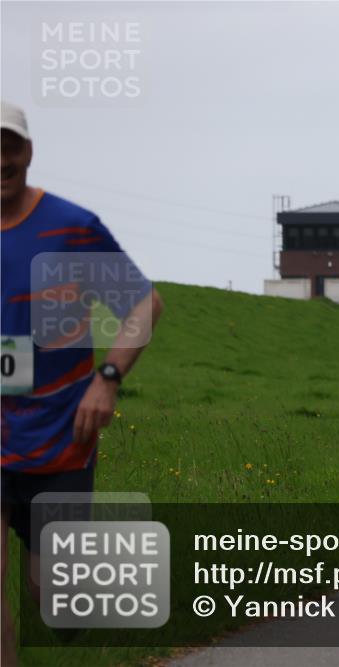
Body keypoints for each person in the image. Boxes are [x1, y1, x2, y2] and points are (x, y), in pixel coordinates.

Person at [1, 101, 164, 665]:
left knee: (57, 603)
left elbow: (143, 304)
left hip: (61, 436)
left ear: (29, 152)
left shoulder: (70, 228)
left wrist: (108, 379)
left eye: (9, 147)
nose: (0, 160)